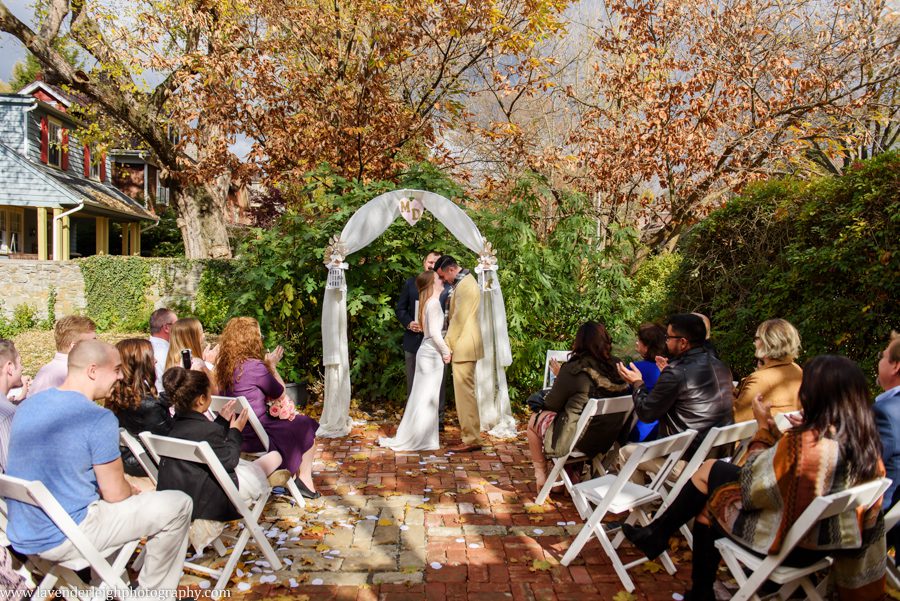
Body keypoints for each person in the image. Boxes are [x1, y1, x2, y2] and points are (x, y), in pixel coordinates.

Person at [623, 355, 887, 601]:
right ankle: (660, 539)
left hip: (790, 544)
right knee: (713, 476)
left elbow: (754, 485)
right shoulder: (865, 445)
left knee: (711, 502)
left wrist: (763, 429)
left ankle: (682, 569)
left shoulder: (804, 443)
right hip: (830, 540)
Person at [5, 340, 193, 594]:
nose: (121, 375)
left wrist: (129, 486)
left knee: (115, 502)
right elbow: (116, 494)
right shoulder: (97, 417)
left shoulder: (29, 406)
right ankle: (154, 595)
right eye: (116, 369)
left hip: (23, 533)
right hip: (66, 536)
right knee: (179, 504)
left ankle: (106, 587)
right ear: (93, 371)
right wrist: (133, 488)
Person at [156, 367, 286, 550]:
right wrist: (235, 431)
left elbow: (204, 440)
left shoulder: (172, 427)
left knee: (250, 465)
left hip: (182, 491)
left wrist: (222, 423)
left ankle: (264, 474)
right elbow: (230, 460)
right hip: (214, 498)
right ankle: (267, 477)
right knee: (275, 456)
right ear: (201, 400)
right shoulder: (207, 431)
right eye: (209, 393)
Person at [215, 317, 320, 499]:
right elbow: (280, 393)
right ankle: (304, 480)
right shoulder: (255, 367)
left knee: (297, 423)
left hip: (235, 433)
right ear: (252, 340)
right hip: (258, 434)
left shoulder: (223, 368)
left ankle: (297, 478)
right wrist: (271, 367)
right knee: (306, 424)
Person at [617, 313, 733, 474]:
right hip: (717, 457)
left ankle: (648, 500)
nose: (666, 341)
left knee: (626, 454)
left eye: (668, 337)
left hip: (686, 461)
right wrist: (669, 374)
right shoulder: (721, 366)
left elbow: (646, 412)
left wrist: (637, 382)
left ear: (683, 342)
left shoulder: (676, 372)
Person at [526, 321, 628, 487]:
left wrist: (561, 377)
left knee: (534, 421)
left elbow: (552, 404)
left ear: (579, 342)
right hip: (607, 437)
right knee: (573, 418)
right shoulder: (616, 365)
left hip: (578, 438)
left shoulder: (574, 368)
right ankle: (568, 476)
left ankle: (541, 474)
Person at [380, 271, 452, 451]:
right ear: (430, 284)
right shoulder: (434, 303)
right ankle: (422, 438)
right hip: (432, 353)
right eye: (437, 279)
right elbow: (435, 333)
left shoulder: (427, 303)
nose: (441, 280)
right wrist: (446, 351)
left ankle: (420, 436)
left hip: (425, 352)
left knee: (421, 397)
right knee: (427, 398)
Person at [396, 251, 450, 430]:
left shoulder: (445, 287)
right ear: (423, 262)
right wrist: (409, 323)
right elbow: (400, 309)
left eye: (436, 263)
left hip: (436, 343)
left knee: (439, 383)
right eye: (429, 261)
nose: (432, 265)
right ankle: (414, 419)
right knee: (413, 382)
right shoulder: (411, 284)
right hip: (414, 340)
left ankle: (438, 419)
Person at [106, 338, 175, 478]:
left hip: (127, 460)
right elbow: (172, 442)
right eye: (151, 358)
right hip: (147, 466)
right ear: (140, 364)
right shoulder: (150, 406)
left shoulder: (116, 395)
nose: (155, 361)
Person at [435, 255, 484, 453]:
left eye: (443, 276)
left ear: (451, 270)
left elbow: (458, 319)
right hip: (466, 344)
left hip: (464, 345)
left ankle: (471, 439)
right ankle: (470, 436)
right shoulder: (464, 282)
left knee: (465, 396)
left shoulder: (465, 286)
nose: (443, 281)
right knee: (465, 394)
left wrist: (447, 345)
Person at [732, 318, 803, 423]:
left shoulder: (759, 379)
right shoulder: (797, 370)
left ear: (768, 342)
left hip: (766, 437)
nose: (754, 343)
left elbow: (736, 419)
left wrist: (728, 393)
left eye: (757, 338)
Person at [28, 315, 96, 397]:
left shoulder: (46, 370)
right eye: (92, 343)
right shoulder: (69, 374)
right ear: (74, 347)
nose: (97, 346)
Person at [628, 323, 667, 442]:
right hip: (660, 430)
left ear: (647, 346)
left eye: (639, 340)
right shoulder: (669, 369)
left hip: (637, 430)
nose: (636, 342)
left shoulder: (635, 369)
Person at [874, 331, 900, 508]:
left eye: (882, 357)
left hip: (888, 520)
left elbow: (863, 466)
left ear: (895, 366)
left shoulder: (885, 412)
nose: (879, 362)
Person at [164, 317, 219, 392]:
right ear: (193, 339)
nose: (204, 336)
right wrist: (210, 365)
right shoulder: (196, 365)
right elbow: (215, 391)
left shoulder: (172, 364)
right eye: (201, 333)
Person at [0, 339, 24, 473]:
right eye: (20, 363)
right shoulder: (8, 413)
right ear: (9, 367)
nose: (22, 368)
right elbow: (14, 470)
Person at [149, 307, 177, 392]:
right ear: (166, 328)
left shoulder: (143, 348)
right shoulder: (168, 353)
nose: (179, 328)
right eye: (177, 325)